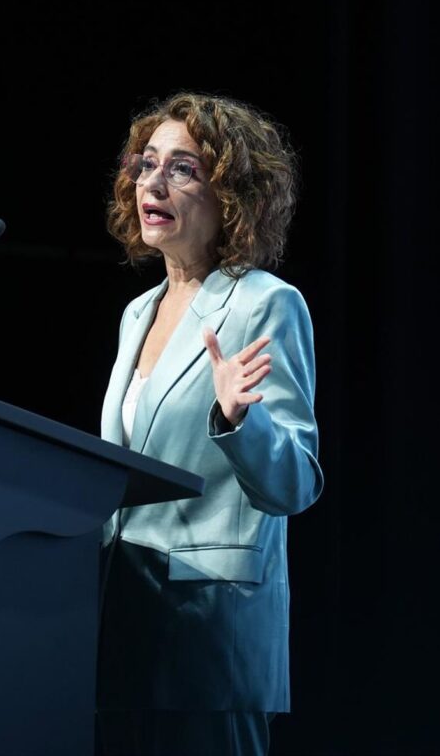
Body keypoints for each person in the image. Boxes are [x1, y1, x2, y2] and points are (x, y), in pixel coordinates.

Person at [96, 92, 324, 756]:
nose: (153, 183)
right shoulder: (137, 314)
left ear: (231, 194)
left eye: (183, 168)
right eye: (146, 164)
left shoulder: (266, 304)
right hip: (121, 625)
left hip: (209, 633)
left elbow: (295, 484)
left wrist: (237, 418)